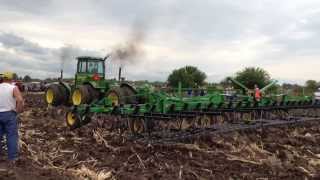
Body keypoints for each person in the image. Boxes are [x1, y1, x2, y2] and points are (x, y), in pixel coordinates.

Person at [0, 73, 24, 165]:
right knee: (12, 136)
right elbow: (20, 100)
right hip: (9, 114)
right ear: (11, 79)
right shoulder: (13, 88)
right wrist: (18, 111)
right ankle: (12, 158)